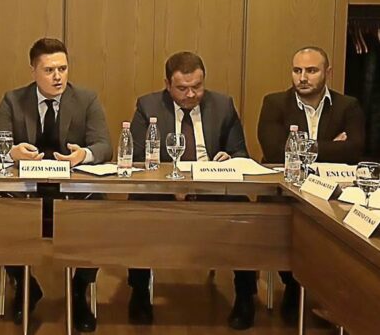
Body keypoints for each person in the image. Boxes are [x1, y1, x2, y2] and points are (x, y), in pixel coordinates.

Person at [0, 37, 112, 332]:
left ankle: (79, 289)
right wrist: (11, 152)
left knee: (101, 210)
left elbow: (105, 146)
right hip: (26, 191)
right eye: (49, 70)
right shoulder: (13, 100)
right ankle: (25, 285)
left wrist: (83, 155)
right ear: (33, 71)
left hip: (73, 192)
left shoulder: (86, 99)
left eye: (63, 69)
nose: (57, 77)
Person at [129, 51, 253, 330]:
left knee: (246, 212)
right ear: (167, 85)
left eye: (197, 86)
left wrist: (229, 158)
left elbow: (240, 153)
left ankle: (245, 295)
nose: (191, 94)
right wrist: (172, 185)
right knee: (135, 207)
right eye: (182, 88)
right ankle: (139, 291)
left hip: (212, 189)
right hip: (163, 189)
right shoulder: (148, 106)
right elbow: (136, 158)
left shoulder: (223, 105)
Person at [257, 46, 366, 324]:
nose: (303, 77)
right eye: (297, 70)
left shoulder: (348, 106)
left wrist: (301, 147)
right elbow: (274, 150)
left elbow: (355, 150)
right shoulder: (275, 103)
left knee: (335, 230)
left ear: (327, 72)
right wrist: (331, 146)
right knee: (282, 220)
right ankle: (294, 284)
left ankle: (328, 291)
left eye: (311, 70)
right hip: (284, 190)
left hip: (331, 191)